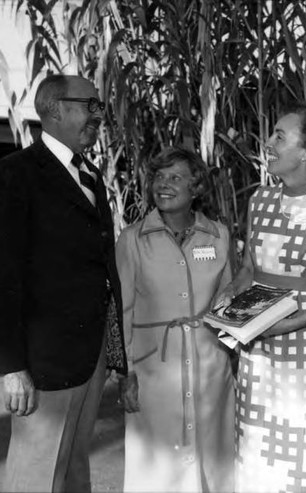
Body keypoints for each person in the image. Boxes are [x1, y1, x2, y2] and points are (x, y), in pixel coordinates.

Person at [0, 74, 127, 492]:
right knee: (36, 474)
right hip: (42, 363)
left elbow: (102, 272)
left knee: (74, 466)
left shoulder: (92, 176)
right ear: (55, 109)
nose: (99, 115)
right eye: (90, 105)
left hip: (89, 357)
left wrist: (115, 353)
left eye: (100, 107)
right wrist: (11, 367)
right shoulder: (14, 174)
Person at [216, 104, 306, 492]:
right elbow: (249, 267)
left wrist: (290, 324)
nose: (269, 143)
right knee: (261, 444)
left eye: (280, 136)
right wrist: (230, 298)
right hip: (258, 346)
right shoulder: (259, 200)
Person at [115, 147, 235, 492]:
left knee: (214, 459)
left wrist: (231, 358)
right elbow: (120, 309)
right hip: (152, 370)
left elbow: (228, 302)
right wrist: (124, 371)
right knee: (157, 467)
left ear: (196, 188)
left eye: (175, 178)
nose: (163, 185)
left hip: (211, 368)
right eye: (159, 177)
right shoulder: (132, 239)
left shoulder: (218, 236)